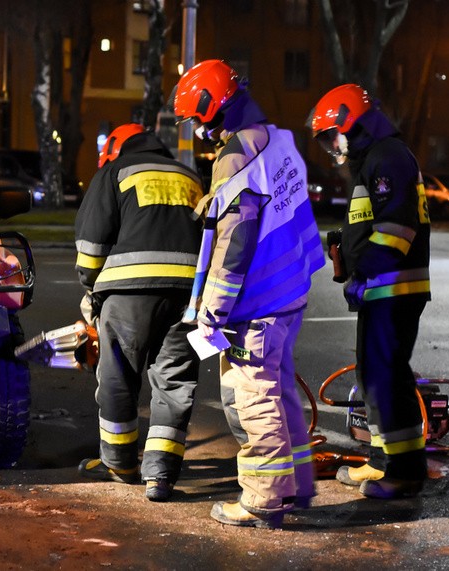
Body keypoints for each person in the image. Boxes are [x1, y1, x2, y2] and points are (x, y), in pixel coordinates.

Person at [173, 59, 325, 528]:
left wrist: (212, 313)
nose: (198, 129)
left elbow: (233, 243)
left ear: (211, 107)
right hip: (290, 294)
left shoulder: (236, 156)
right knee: (279, 394)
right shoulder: (279, 142)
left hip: (255, 305)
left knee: (253, 397)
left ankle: (262, 499)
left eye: (198, 119)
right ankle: (295, 488)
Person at [308, 84, 431, 499]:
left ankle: (404, 472)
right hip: (383, 288)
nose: (332, 146)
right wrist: (351, 249)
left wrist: (365, 273)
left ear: (351, 123)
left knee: (386, 378)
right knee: (374, 377)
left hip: (393, 287)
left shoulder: (387, 157)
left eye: (332, 135)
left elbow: (397, 228)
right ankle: (383, 463)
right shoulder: (375, 159)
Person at [74, 123, 203, 502]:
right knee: (175, 383)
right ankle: (160, 476)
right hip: (188, 295)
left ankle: (120, 463)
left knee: (118, 374)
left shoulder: (115, 171)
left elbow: (91, 244)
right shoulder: (189, 175)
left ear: (114, 149)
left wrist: (90, 285)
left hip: (129, 294)